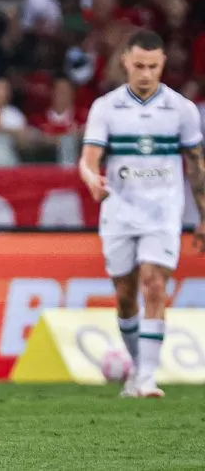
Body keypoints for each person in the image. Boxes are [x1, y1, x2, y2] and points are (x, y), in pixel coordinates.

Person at [79, 29, 205, 398]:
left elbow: (197, 166)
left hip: (163, 212)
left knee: (154, 283)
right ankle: (137, 369)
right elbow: (89, 160)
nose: (146, 73)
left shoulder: (181, 110)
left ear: (163, 62)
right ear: (125, 62)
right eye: (139, 66)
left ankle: (147, 377)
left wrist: (202, 215)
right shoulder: (106, 107)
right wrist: (91, 180)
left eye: (152, 66)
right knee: (125, 294)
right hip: (119, 211)